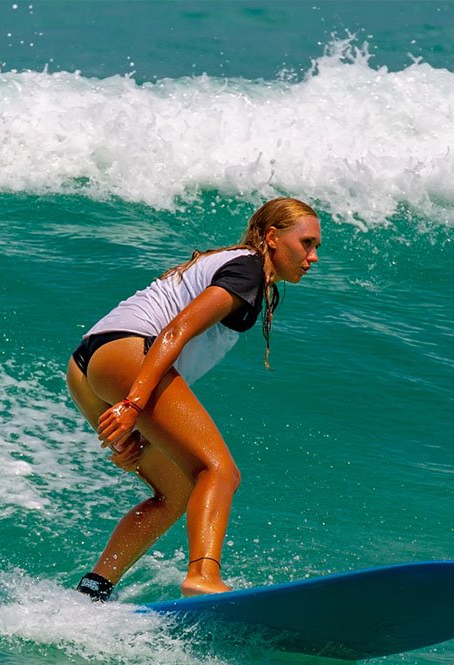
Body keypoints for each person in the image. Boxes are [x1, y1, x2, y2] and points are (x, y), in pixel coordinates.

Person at [66, 197, 322, 601]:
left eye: (316, 248)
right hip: (129, 353)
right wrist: (134, 404)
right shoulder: (248, 268)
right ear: (271, 238)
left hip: (89, 364)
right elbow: (176, 331)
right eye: (306, 243)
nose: (313, 257)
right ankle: (203, 577)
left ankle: (94, 587)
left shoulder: (239, 267)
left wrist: (132, 427)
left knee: (175, 493)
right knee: (219, 471)